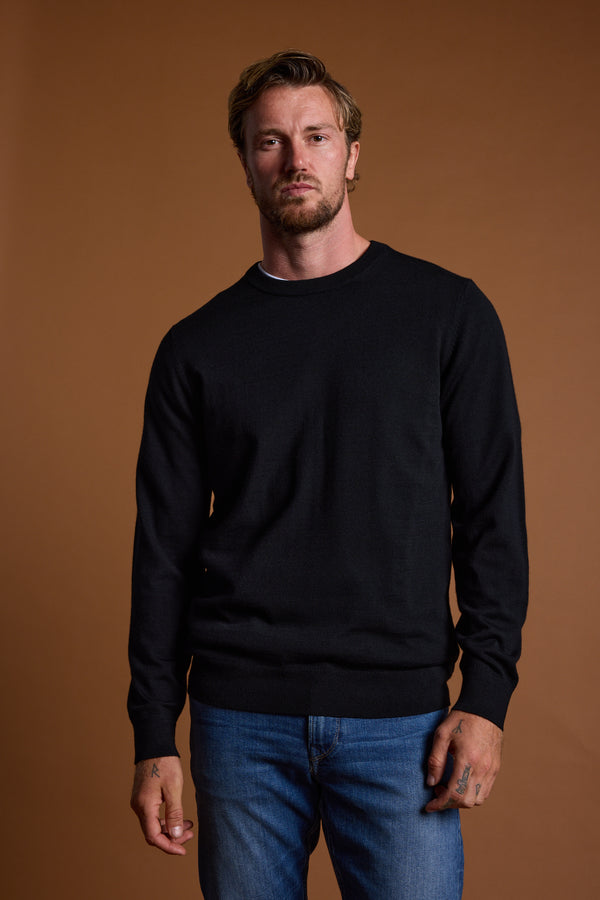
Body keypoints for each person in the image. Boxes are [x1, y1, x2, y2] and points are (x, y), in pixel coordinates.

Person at [128, 50, 528, 899]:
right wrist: (153, 732)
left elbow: (493, 514)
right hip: (240, 723)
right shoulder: (196, 348)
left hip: (404, 722)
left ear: (352, 153)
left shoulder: (448, 314)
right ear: (244, 161)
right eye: (270, 141)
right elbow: (161, 551)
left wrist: (486, 696)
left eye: (316, 135)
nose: (295, 158)